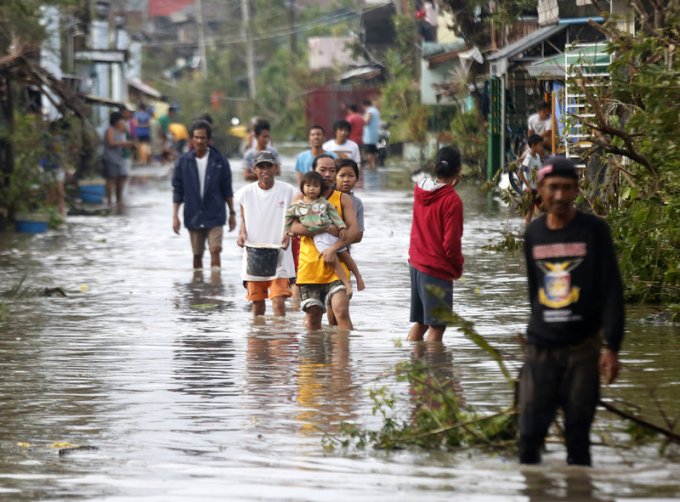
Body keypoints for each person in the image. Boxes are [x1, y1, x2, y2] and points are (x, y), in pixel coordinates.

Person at [519, 156, 625, 466]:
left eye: (567, 188)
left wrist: (612, 347)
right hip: (541, 351)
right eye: (553, 188)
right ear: (540, 189)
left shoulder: (594, 230)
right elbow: (534, 291)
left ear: (578, 189)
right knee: (529, 436)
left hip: (583, 351)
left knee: (578, 439)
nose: (560, 196)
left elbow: (611, 291)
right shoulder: (534, 233)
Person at [289, 154, 360, 331]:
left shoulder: (343, 198)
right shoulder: (300, 198)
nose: (328, 174)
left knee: (341, 312)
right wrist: (323, 227)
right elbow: (293, 228)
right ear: (313, 172)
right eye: (323, 170)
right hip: (310, 266)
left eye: (332, 170)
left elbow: (354, 230)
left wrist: (334, 248)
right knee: (313, 319)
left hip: (337, 265)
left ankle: (343, 358)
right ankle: (314, 357)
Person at [407, 146, 464, 343]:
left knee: (422, 322)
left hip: (416, 264)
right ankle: (436, 371)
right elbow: (451, 243)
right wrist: (457, 267)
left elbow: (437, 197)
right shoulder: (452, 201)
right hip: (436, 269)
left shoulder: (419, 188)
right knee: (437, 327)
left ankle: (413, 366)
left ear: (435, 167)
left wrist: (450, 187)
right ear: (459, 169)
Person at [235, 151, 297, 317]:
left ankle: (279, 339)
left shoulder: (288, 191)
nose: (265, 170)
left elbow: (297, 217)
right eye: (260, 166)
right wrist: (241, 234)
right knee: (257, 305)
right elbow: (243, 219)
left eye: (268, 166)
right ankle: (259, 338)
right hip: (254, 255)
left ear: (275, 168)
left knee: (278, 302)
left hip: (280, 254)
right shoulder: (245, 193)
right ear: (254, 169)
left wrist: (289, 232)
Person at [284, 170, 365, 295]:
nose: (312, 189)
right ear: (302, 187)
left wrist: (342, 227)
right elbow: (289, 219)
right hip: (319, 239)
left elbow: (335, 216)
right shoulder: (298, 204)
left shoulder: (324, 203)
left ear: (320, 188)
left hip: (333, 237)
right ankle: (346, 282)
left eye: (316, 186)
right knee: (332, 258)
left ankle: (358, 278)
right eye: (308, 186)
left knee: (345, 254)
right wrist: (286, 232)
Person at [172, 120, 236, 270]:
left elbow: (227, 189)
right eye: (196, 137)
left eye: (203, 138)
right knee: (197, 255)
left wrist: (232, 213)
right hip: (193, 214)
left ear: (209, 140)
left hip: (215, 214)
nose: (199, 141)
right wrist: (175, 216)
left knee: (215, 250)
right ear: (191, 139)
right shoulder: (183, 162)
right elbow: (177, 191)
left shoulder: (220, 161)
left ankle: (215, 286)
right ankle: (198, 288)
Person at [102, 111, 134, 207]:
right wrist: (124, 144)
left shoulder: (121, 131)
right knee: (111, 179)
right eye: (121, 120)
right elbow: (111, 143)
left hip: (119, 158)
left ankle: (119, 200)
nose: (122, 122)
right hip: (110, 158)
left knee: (120, 179)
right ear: (116, 121)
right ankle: (109, 201)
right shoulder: (110, 130)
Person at [335, 158, 364, 244]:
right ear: (334, 177)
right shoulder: (327, 197)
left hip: (345, 249)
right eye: (342, 175)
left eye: (351, 176)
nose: (346, 180)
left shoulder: (357, 202)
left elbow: (358, 236)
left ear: (357, 178)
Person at [518, 133, 545, 224]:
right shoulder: (528, 158)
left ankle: (538, 226)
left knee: (541, 208)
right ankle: (527, 229)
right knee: (529, 212)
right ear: (533, 146)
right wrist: (528, 186)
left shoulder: (537, 157)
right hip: (529, 190)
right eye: (540, 145)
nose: (542, 148)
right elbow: (520, 173)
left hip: (536, 188)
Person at [362, 99, 381, 169]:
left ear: (364, 105)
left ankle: (371, 167)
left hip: (369, 136)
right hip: (375, 135)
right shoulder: (376, 111)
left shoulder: (369, 111)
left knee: (369, 152)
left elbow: (367, 121)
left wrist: (362, 119)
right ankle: (374, 166)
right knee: (374, 152)